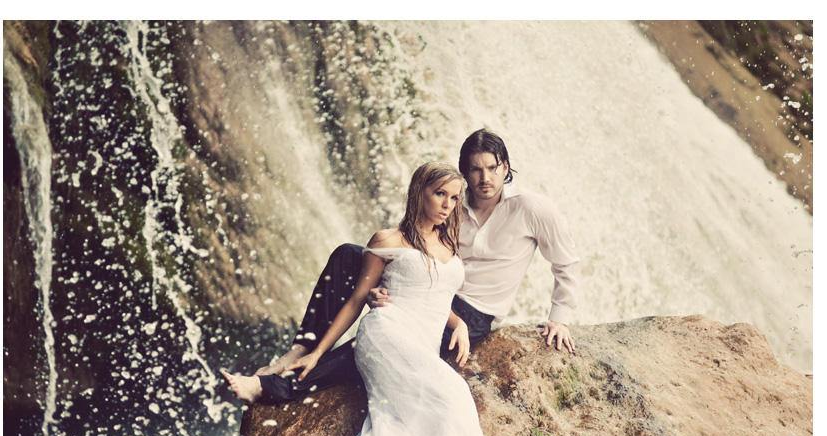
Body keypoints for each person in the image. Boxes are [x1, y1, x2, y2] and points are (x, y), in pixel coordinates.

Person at [222, 129, 579, 407]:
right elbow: (409, 245)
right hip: (424, 289)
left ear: (506, 167)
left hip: (472, 312)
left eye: (493, 167)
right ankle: (304, 347)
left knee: (379, 340)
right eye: (475, 169)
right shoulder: (451, 202)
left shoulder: (532, 209)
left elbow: (566, 262)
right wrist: (385, 282)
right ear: (465, 172)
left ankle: (275, 388)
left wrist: (559, 317)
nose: (485, 177)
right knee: (349, 254)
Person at [247, 161, 504, 436]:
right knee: (454, 395)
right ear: (420, 192)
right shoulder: (388, 240)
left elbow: (434, 296)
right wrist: (318, 350)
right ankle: (280, 374)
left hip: (421, 340)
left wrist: (459, 322)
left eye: (454, 197)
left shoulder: (447, 242)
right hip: (387, 332)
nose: (447, 205)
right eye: (439, 194)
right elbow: (355, 299)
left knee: (397, 422)